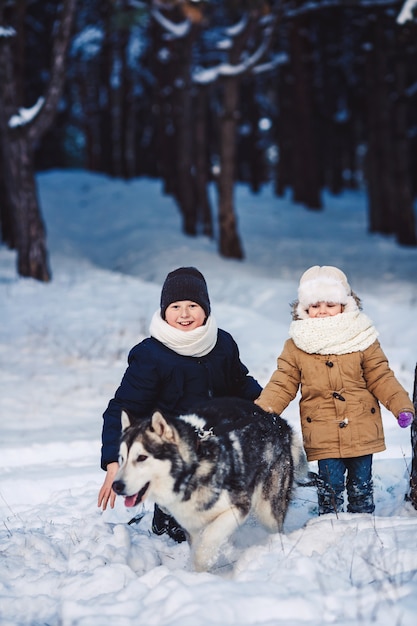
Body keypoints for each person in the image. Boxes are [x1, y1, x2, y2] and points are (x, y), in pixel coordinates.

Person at [98, 266, 262, 541]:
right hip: (173, 446)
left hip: (216, 438)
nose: (184, 314)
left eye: (192, 305)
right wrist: (112, 461)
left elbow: (239, 381)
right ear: (164, 311)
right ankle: (167, 517)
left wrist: (263, 401)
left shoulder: (221, 343)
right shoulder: (151, 355)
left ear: (206, 309)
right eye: (175, 306)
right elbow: (123, 407)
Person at [255, 265, 414, 516]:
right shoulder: (297, 345)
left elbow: (381, 377)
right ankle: (330, 523)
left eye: (330, 304)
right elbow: (282, 382)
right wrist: (262, 413)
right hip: (322, 429)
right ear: (304, 308)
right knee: (331, 485)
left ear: (345, 304)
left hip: (362, 426)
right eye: (315, 306)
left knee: (361, 484)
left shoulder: (363, 339)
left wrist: (402, 406)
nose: (323, 311)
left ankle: (363, 520)